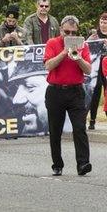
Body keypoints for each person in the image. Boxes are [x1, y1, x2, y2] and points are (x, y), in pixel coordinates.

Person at [43, 15, 92, 176]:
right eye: (66, 32)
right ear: (60, 30)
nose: (70, 36)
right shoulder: (52, 43)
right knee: (55, 130)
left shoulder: (82, 45)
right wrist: (64, 52)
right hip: (55, 91)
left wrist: (77, 58)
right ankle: (57, 163)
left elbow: (88, 70)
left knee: (79, 128)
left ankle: (83, 163)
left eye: (73, 32)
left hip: (75, 91)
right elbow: (48, 65)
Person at [87, 12, 107, 130]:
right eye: (101, 22)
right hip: (97, 66)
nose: (103, 25)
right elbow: (86, 47)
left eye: (105, 23)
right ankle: (92, 120)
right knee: (96, 90)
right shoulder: (94, 36)